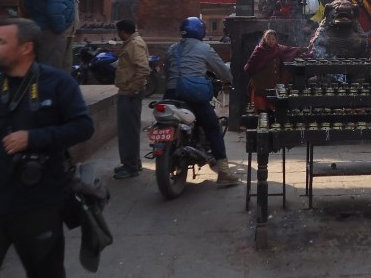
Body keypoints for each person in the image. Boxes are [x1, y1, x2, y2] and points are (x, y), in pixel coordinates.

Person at [0, 18, 93, 278]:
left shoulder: (58, 84)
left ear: (26, 48)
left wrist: (34, 138)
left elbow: (83, 127)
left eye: (1, 41)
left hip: (38, 203)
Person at [165, 17, 238, 186]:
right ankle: (224, 171)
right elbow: (221, 70)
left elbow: (168, 71)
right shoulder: (204, 48)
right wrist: (229, 79)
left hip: (170, 95)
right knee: (212, 126)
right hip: (192, 95)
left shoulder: (172, 49)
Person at [23, 0, 76, 70]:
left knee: (40, 67)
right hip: (51, 32)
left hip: (38, 27)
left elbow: (28, 3)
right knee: (51, 68)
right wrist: (59, 29)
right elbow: (55, 10)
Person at [113, 19, 149, 180]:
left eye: (118, 32)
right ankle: (133, 161)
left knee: (128, 131)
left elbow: (142, 69)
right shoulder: (132, 42)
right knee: (128, 129)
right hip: (127, 90)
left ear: (123, 31)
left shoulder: (135, 44)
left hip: (130, 92)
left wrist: (133, 89)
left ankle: (130, 166)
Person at [243, 30, 307, 109]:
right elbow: (249, 67)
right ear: (264, 39)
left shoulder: (279, 49)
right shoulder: (259, 51)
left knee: (273, 111)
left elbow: (292, 50)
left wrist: (305, 49)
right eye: (268, 39)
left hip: (273, 86)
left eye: (273, 39)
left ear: (276, 40)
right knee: (261, 111)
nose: (271, 41)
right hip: (260, 86)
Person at [55, 0, 80, 73]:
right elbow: (56, 8)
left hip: (70, 31)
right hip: (61, 31)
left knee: (66, 64)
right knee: (59, 64)